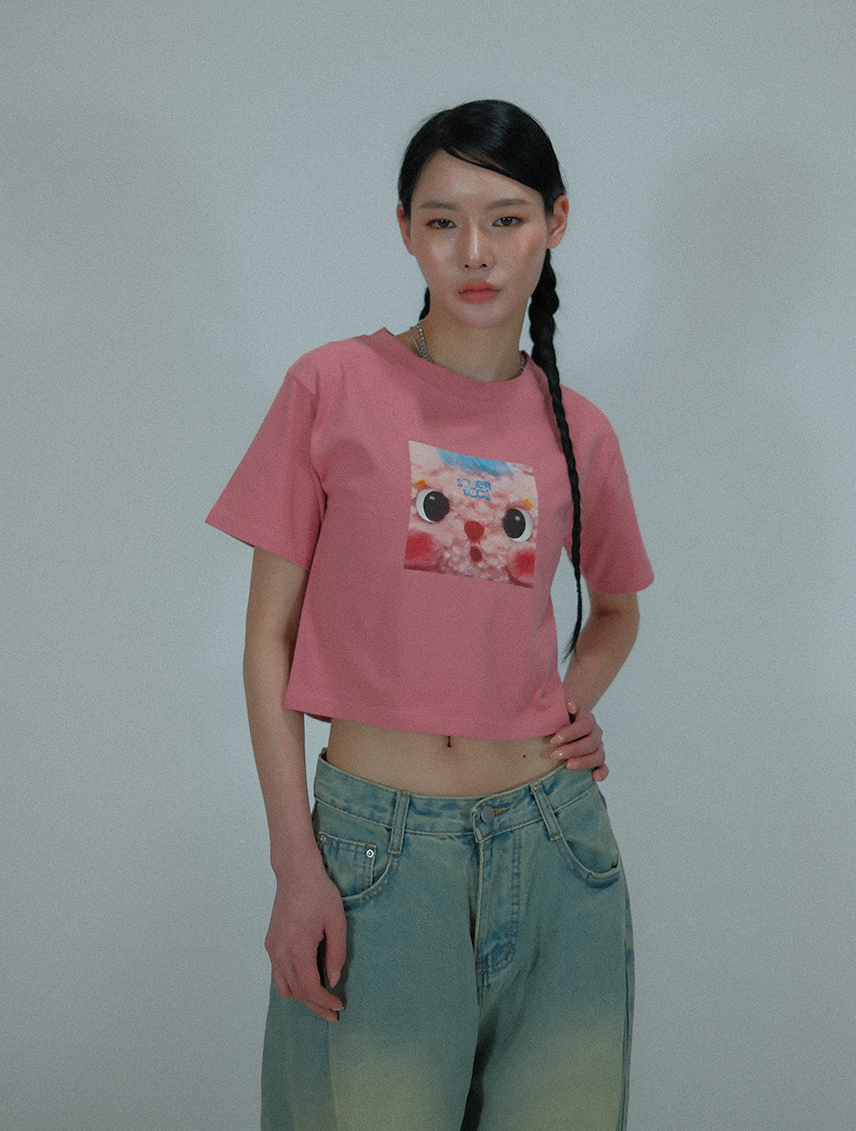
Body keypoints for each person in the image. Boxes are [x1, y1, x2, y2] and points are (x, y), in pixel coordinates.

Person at [207, 99, 654, 1131]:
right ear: (405, 229)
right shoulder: (332, 386)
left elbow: (616, 610)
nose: (475, 252)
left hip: (558, 849)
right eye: (443, 220)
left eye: (507, 219)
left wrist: (567, 702)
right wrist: (295, 865)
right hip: (377, 855)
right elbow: (267, 640)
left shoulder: (580, 431)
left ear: (556, 222)